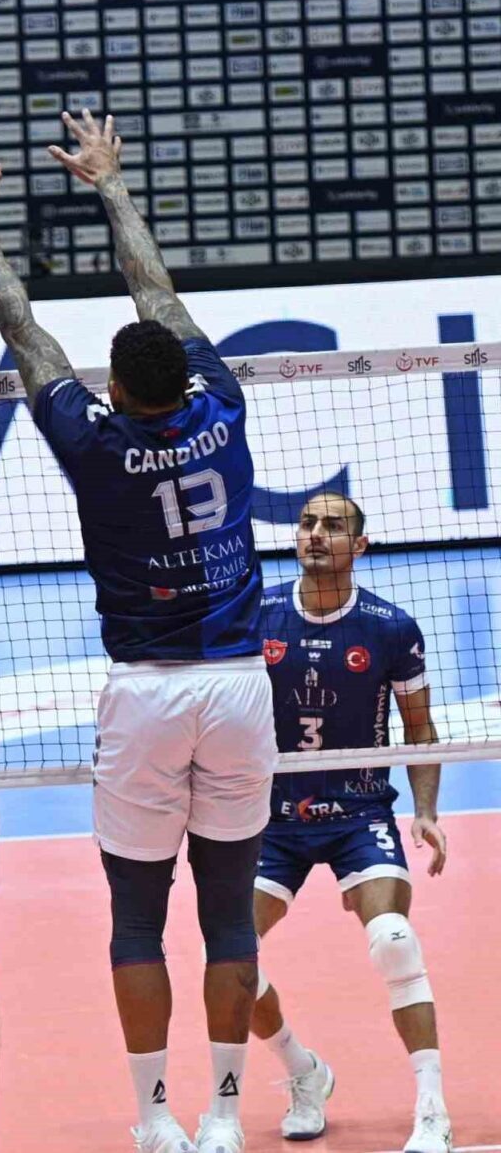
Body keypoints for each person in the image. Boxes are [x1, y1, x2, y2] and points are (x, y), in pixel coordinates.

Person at [0, 112, 275, 1153]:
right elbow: (155, 296)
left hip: (145, 693)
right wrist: (112, 185)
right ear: (181, 377)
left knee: (136, 919)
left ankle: (153, 1115)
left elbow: (23, 329)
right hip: (238, 686)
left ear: (116, 391)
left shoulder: (92, 441)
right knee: (228, 916)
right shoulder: (223, 407)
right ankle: (226, 1113)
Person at [255, 492, 451, 1151]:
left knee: (394, 937)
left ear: (359, 546)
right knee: (229, 961)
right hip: (272, 817)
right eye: (307, 523)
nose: (315, 533)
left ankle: (432, 1109)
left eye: (333, 526)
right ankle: (304, 1072)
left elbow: (419, 728)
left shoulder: (390, 628)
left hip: (360, 811)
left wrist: (426, 811)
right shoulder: (257, 615)